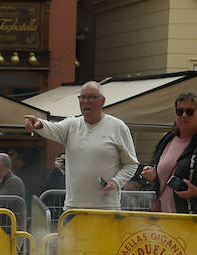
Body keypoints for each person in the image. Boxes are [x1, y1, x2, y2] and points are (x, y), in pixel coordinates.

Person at [23, 82, 138, 211]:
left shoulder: (118, 127)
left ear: (103, 101)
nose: (86, 101)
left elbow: (131, 164)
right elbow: (53, 128)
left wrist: (116, 182)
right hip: (73, 207)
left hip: (106, 207)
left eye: (92, 97)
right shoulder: (72, 125)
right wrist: (38, 124)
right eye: (82, 97)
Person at [138, 91, 197, 216]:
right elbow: (163, 176)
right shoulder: (168, 139)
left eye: (189, 112)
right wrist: (153, 174)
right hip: (167, 218)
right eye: (180, 111)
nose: (184, 115)